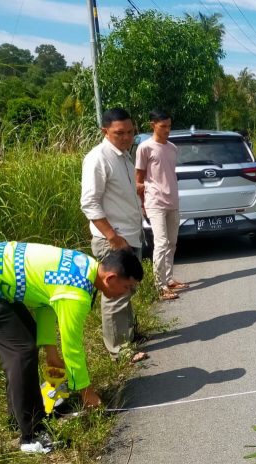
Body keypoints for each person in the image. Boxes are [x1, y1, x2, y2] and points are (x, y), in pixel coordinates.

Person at [0, 242, 143, 454]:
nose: (126, 293)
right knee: (21, 351)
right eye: (127, 287)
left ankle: (19, 419)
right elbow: (72, 348)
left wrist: (50, 351)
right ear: (111, 278)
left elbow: (46, 301)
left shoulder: (85, 265)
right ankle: (30, 437)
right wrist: (86, 392)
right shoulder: (76, 292)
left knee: (25, 343)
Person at [80, 108, 148, 363]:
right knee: (115, 294)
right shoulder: (98, 158)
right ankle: (119, 349)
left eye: (131, 132)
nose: (127, 137)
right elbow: (89, 203)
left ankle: (129, 334)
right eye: (120, 133)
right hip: (113, 239)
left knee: (128, 288)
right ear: (104, 131)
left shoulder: (125, 157)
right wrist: (112, 237)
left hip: (130, 235)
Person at [135, 109, 188, 301]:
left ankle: (169, 278)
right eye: (163, 126)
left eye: (169, 126)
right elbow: (139, 180)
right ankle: (160, 286)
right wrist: (142, 205)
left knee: (172, 243)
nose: (167, 130)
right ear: (152, 125)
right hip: (155, 202)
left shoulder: (172, 148)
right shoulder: (145, 148)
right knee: (161, 242)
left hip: (173, 201)